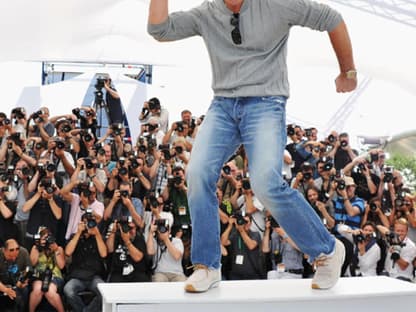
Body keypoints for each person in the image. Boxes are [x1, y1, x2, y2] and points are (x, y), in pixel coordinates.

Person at [148, 0, 357, 293]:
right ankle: (208, 266)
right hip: (223, 105)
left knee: (265, 182)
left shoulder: (278, 5)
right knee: (196, 175)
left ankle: (327, 250)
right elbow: (159, 29)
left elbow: (332, 17)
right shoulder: (207, 12)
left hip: (266, 101)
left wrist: (347, 71)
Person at [0, 239, 31, 312]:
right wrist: (5, 289)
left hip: (17, 282)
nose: (13, 259)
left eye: (15, 257)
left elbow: (28, 269)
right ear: (4, 250)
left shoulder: (23, 252)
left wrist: (23, 280)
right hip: (2, 283)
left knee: (24, 290)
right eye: (10, 256)